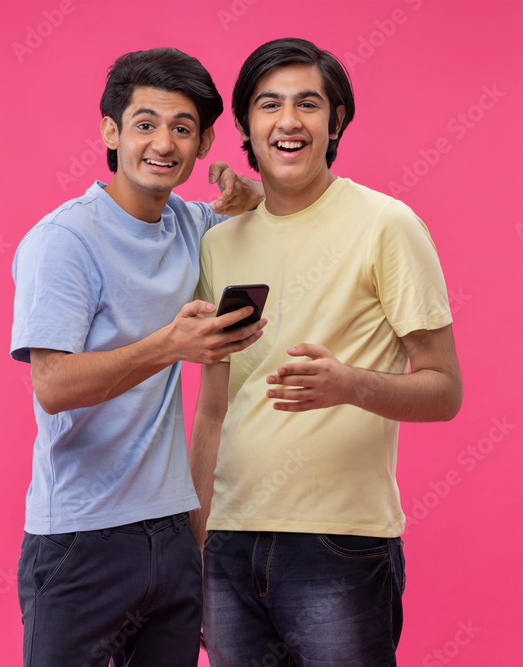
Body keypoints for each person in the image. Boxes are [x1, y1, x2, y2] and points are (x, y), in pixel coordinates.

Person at [190, 37, 463, 666]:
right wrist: (198, 539)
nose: (288, 121)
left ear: (335, 120)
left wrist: (351, 385)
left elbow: (444, 389)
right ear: (245, 126)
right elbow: (212, 408)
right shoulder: (220, 242)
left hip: (340, 542)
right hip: (229, 545)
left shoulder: (386, 225)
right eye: (268, 105)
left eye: (308, 104)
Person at [10, 47, 266, 667]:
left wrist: (245, 188)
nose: (163, 143)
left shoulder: (185, 223)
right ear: (110, 131)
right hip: (79, 539)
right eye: (145, 123)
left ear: (203, 143)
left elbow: (254, 206)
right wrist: (170, 347)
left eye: (182, 128)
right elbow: (53, 385)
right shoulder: (63, 241)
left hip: (172, 531)